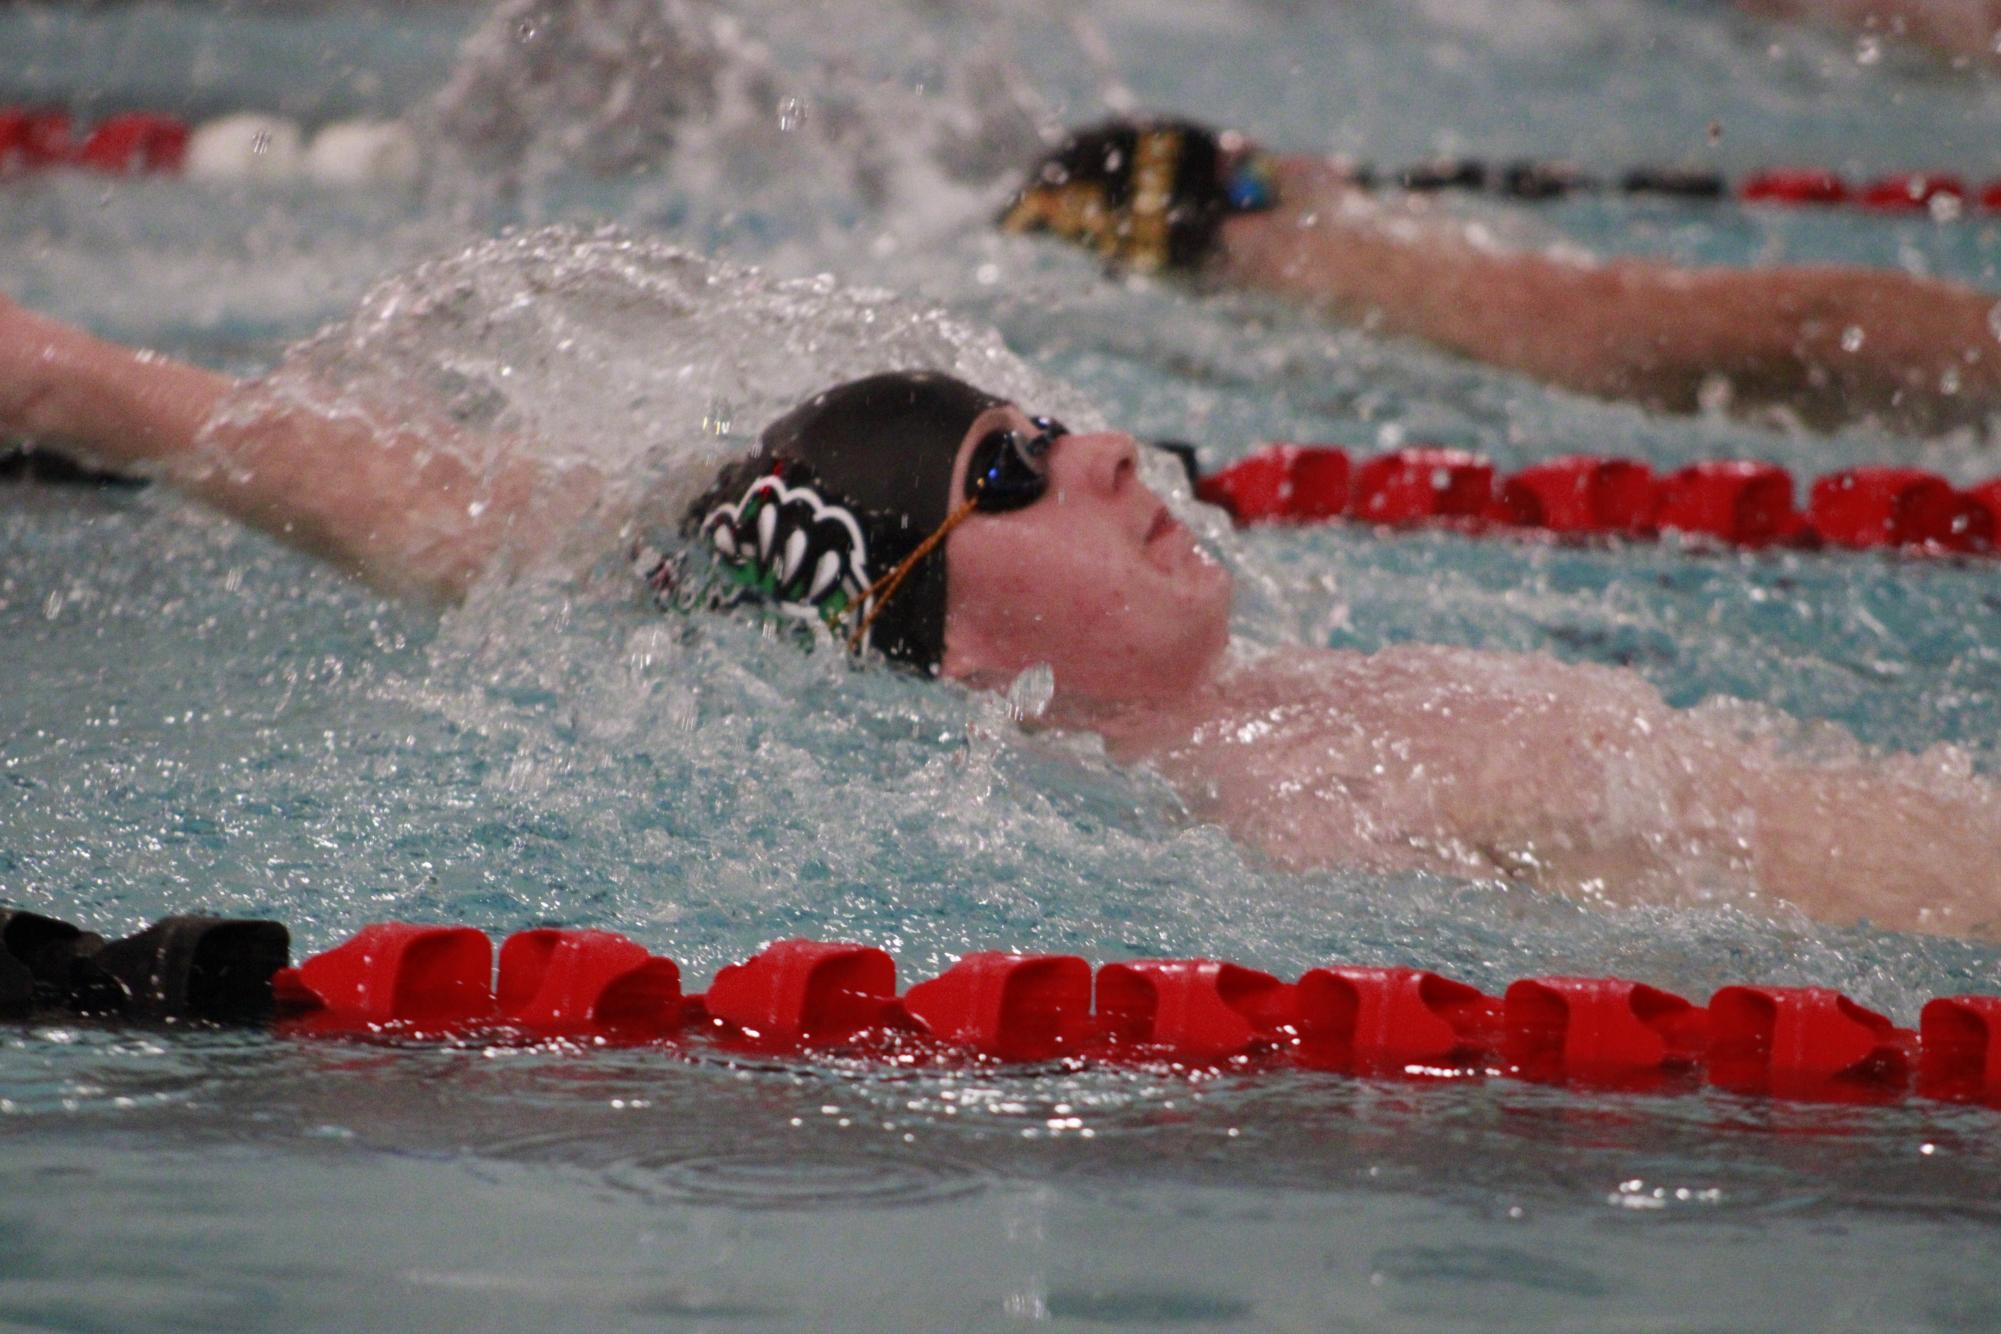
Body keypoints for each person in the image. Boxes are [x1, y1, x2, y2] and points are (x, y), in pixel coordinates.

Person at [3, 286, 1998, 940]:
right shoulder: (1310, 836)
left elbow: (520, 532)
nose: (1110, 450)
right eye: (1010, 475)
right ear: (952, 646)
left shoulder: (1295, 731)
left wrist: (86, 381)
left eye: (1045, 422)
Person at [998, 119, 2001, 438]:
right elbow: (1808, 319)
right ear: (1235, 206)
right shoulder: (1350, 257)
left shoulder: (1317, 305)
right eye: (1256, 164)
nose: (1318, 166)